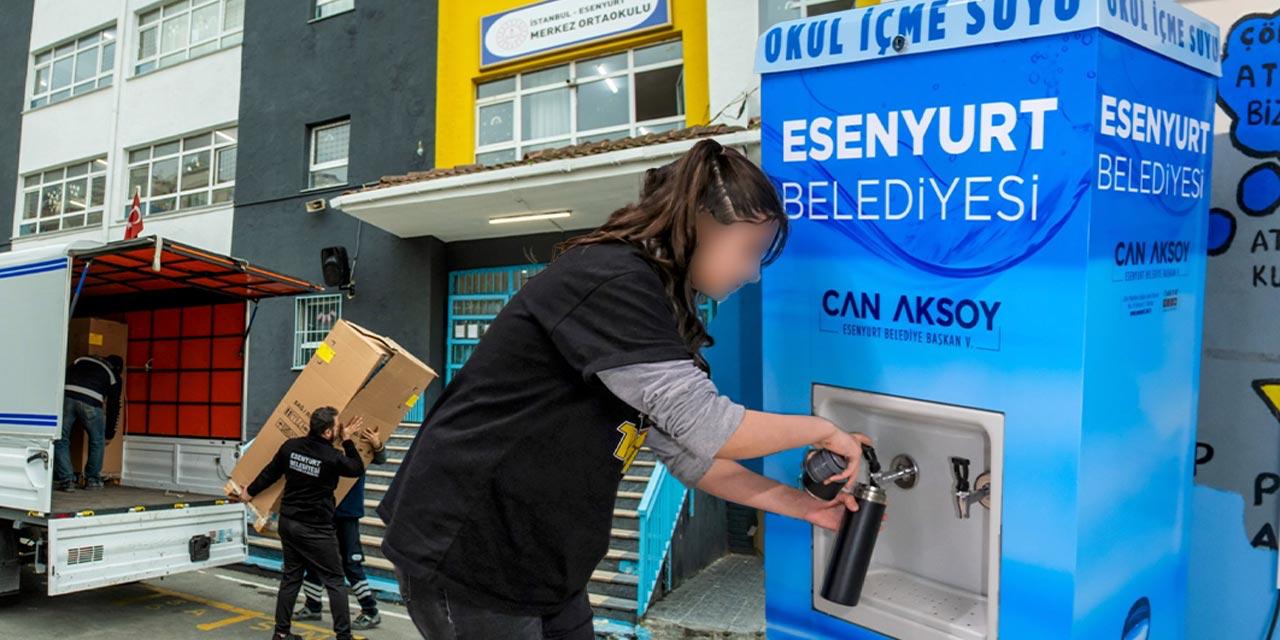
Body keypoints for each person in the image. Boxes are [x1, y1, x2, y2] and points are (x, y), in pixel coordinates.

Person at [378, 138, 873, 639]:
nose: (750, 273)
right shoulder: (613, 279)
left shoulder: (659, 308)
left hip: (541, 560)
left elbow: (694, 458)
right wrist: (824, 430)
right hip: (470, 548)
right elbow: (712, 430)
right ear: (700, 222)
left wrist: (800, 505)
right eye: (748, 251)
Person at [239, 407, 367, 640]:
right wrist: (347, 440)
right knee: (335, 581)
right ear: (328, 432)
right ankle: (344, 637)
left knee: (291, 577)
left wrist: (250, 491)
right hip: (315, 528)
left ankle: (281, 633)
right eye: (337, 426)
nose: (339, 429)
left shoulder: (291, 447)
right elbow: (357, 468)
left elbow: (271, 473)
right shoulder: (332, 457)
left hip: (289, 523)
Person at [294, 436, 388, 629]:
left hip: (347, 511)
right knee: (315, 556)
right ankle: (312, 606)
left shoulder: (362, 435)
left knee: (350, 562)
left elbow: (379, 459)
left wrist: (377, 444)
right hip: (323, 507)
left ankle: (370, 610)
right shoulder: (325, 434)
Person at [57, 354, 124, 492]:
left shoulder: (80, 359)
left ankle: (67, 481)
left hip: (67, 397)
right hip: (91, 403)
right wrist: (109, 433)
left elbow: (62, 374)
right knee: (97, 441)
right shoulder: (113, 375)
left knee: (60, 438)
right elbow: (113, 406)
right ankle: (92, 480)